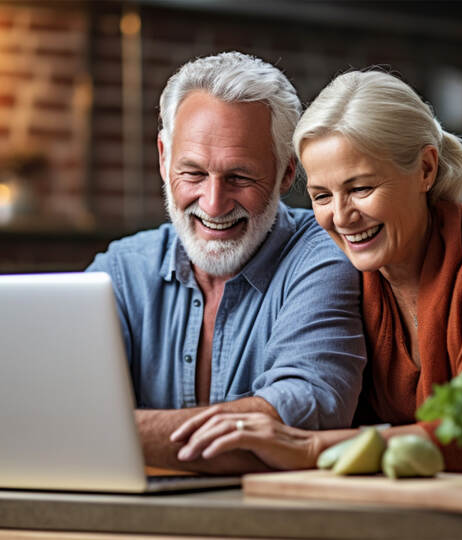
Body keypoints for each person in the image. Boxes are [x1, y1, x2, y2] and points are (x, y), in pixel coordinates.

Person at [170, 69, 462, 473]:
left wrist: (312, 448)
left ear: (426, 170)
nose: (342, 218)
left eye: (361, 188)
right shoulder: (341, 273)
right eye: (322, 196)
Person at [86, 52, 366, 473]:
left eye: (239, 177)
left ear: (287, 172)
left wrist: (103, 435)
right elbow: (54, 405)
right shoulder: (122, 270)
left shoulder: (325, 255)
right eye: (193, 173)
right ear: (164, 158)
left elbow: (301, 418)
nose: (213, 204)